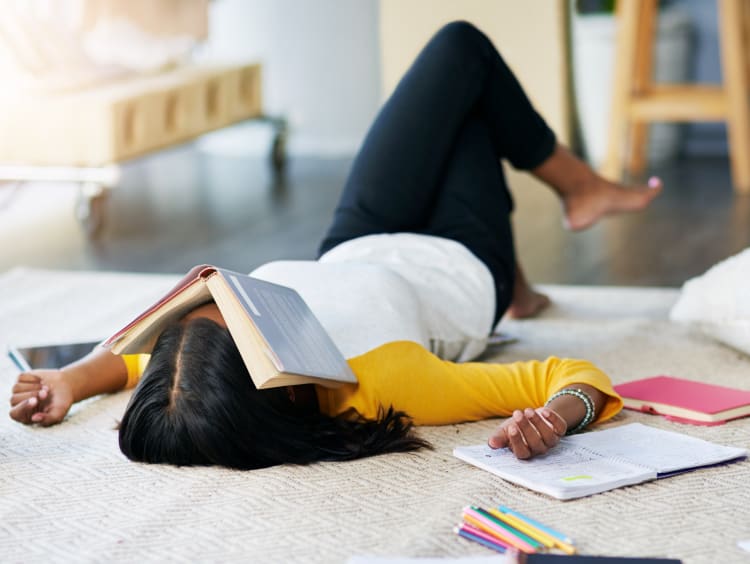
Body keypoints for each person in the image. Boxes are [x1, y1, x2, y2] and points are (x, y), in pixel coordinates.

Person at [9, 21, 660, 469]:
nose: (228, 293)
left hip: (356, 239)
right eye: (234, 317)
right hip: (458, 260)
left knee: (457, 65)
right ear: (286, 381)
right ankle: (564, 210)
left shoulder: (211, 371)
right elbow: (573, 376)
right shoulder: (381, 381)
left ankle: (544, 249)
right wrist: (557, 417)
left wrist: (69, 379)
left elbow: (141, 366)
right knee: (468, 82)